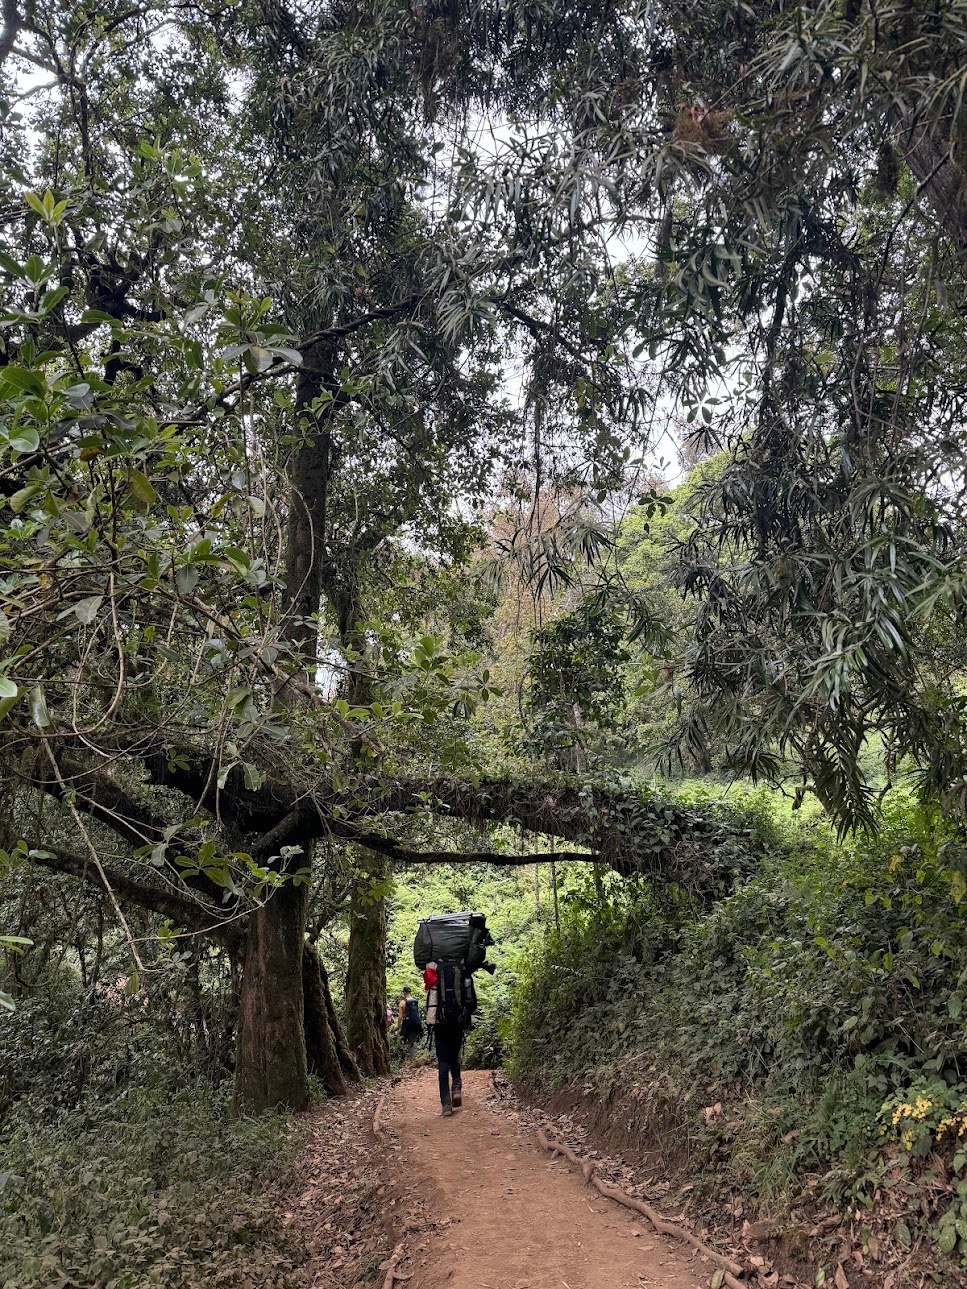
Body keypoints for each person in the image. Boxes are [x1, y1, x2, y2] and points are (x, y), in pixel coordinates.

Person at [397, 986, 422, 1054]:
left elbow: (400, 1016)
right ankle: (413, 1057)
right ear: (410, 992)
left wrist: (399, 1027)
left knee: (403, 1041)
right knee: (412, 1041)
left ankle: (407, 1058)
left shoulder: (402, 1002)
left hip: (406, 1024)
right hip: (415, 1024)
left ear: (404, 993)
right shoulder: (415, 1001)